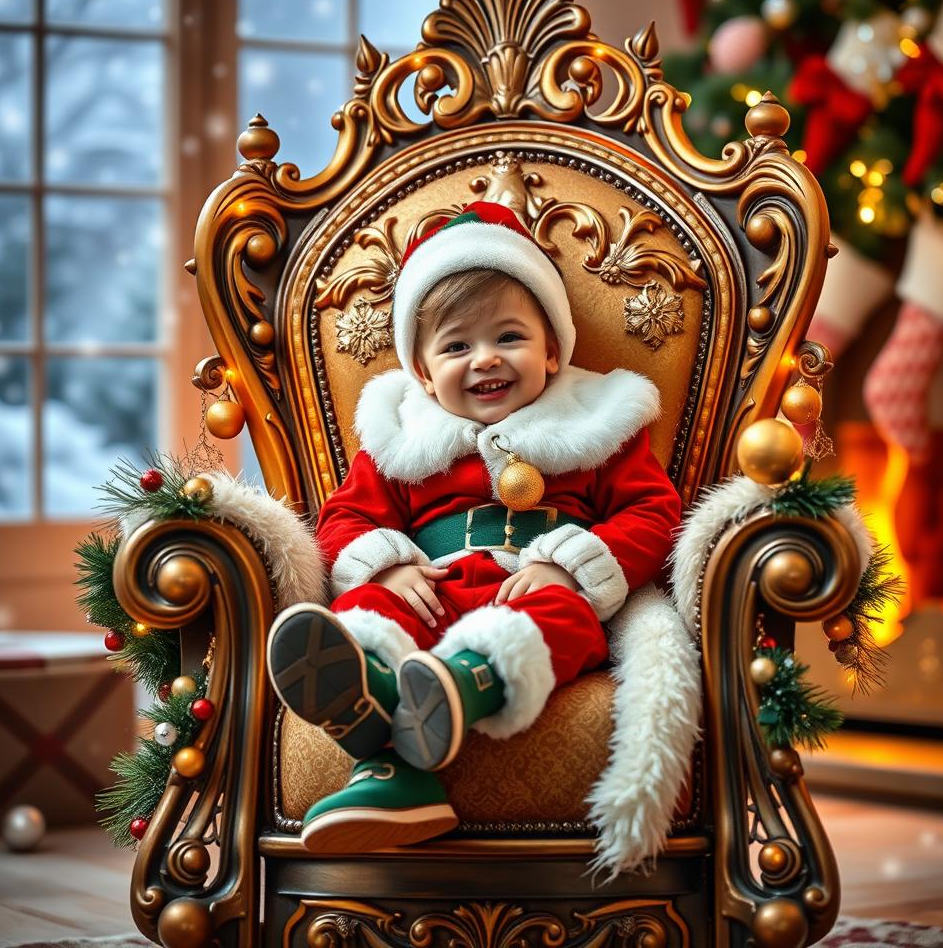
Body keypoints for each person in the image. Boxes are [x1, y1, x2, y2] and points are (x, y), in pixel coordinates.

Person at [266, 200, 683, 853]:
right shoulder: (402, 438)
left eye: (508, 337)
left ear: (552, 352)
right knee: (369, 605)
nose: (485, 359)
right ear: (425, 375)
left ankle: (454, 692)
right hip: (431, 592)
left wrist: (571, 563)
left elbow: (654, 514)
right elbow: (347, 515)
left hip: (535, 593)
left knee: (561, 618)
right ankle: (375, 702)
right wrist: (389, 562)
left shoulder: (597, 423)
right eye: (457, 346)